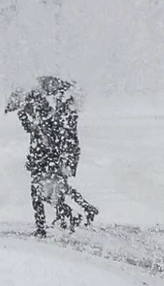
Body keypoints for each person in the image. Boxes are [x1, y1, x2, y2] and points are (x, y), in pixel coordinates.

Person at [9, 89, 75, 237]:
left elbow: (46, 141)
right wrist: (22, 114)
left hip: (45, 165)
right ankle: (62, 218)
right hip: (43, 164)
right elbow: (31, 130)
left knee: (41, 196)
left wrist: (39, 158)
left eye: (34, 103)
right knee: (45, 196)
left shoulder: (47, 119)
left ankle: (48, 224)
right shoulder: (44, 117)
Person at [51, 89, 99, 227]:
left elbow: (63, 134)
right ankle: (83, 209)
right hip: (68, 152)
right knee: (61, 185)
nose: (56, 99)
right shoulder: (66, 113)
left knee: (60, 184)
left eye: (58, 97)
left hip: (66, 153)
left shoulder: (66, 115)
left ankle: (71, 212)